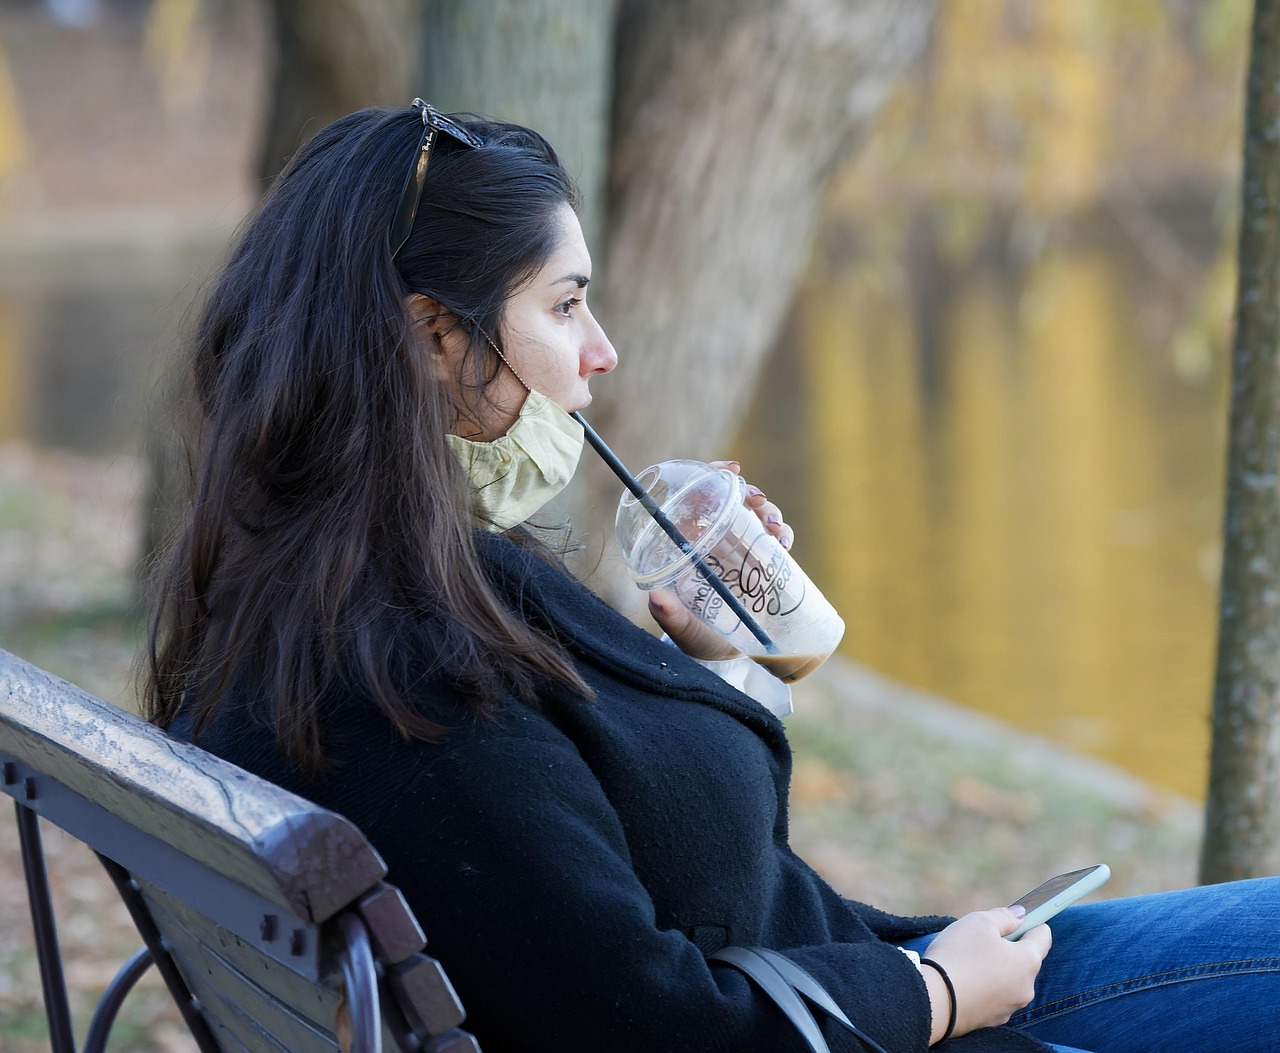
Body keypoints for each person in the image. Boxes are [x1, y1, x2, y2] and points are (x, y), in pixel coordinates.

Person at [145, 100, 1280, 1053]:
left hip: (857, 982)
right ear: (434, 336)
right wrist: (934, 998)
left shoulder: (329, 602)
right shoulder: (413, 678)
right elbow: (645, 1017)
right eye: (564, 303)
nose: (601, 352)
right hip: (874, 1013)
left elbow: (609, 859)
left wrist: (711, 667)